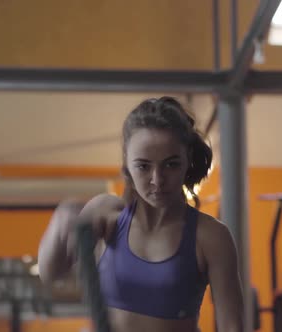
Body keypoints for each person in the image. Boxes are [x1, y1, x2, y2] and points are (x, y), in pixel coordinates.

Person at [37, 96, 244, 332]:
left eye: (171, 164)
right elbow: (50, 273)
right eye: (144, 166)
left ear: (187, 159)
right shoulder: (106, 213)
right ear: (127, 163)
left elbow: (233, 326)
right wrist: (61, 221)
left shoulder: (210, 236)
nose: (157, 180)